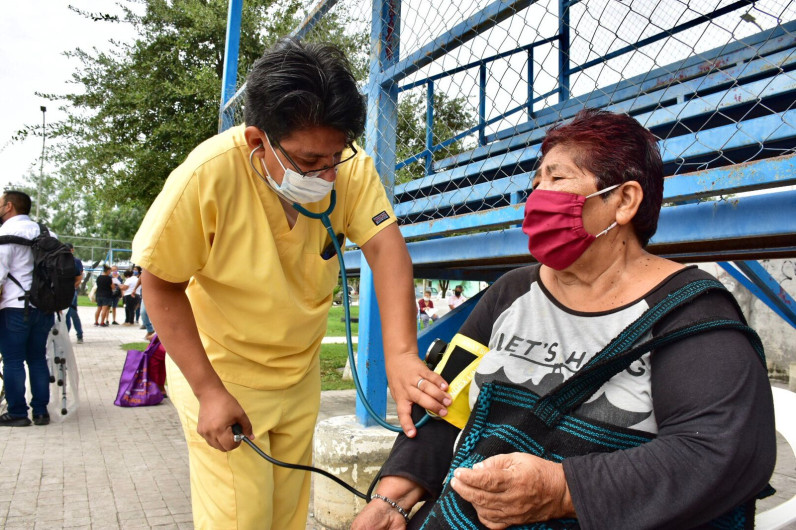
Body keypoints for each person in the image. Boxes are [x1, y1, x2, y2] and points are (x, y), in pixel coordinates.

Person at [353, 109, 776, 529]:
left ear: (624, 200)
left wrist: (561, 491)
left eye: (557, 179)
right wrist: (393, 498)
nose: (537, 197)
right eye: (535, 183)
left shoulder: (690, 313)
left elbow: (719, 455)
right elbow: (442, 404)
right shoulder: (511, 293)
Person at [132, 38, 451, 530]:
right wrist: (208, 391)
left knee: (284, 518)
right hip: (224, 374)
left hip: (297, 376)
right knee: (242, 519)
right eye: (307, 162)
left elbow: (387, 251)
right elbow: (159, 283)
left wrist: (403, 355)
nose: (325, 174)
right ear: (259, 141)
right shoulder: (208, 176)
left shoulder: (351, 168)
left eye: (334, 156)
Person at [0, 190, 53, 426]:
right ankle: (41, 412)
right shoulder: (47, 232)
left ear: (9, 206)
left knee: (12, 361)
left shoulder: (6, 233)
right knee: (38, 359)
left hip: (14, 307)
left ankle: (18, 413)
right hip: (44, 307)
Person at [64, 243, 84, 344]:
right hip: (62, 292)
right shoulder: (59, 261)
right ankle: (64, 337)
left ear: (72, 250)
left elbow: (79, 277)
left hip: (71, 291)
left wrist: (72, 287)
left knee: (72, 313)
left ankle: (79, 334)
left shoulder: (75, 262)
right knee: (64, 314)